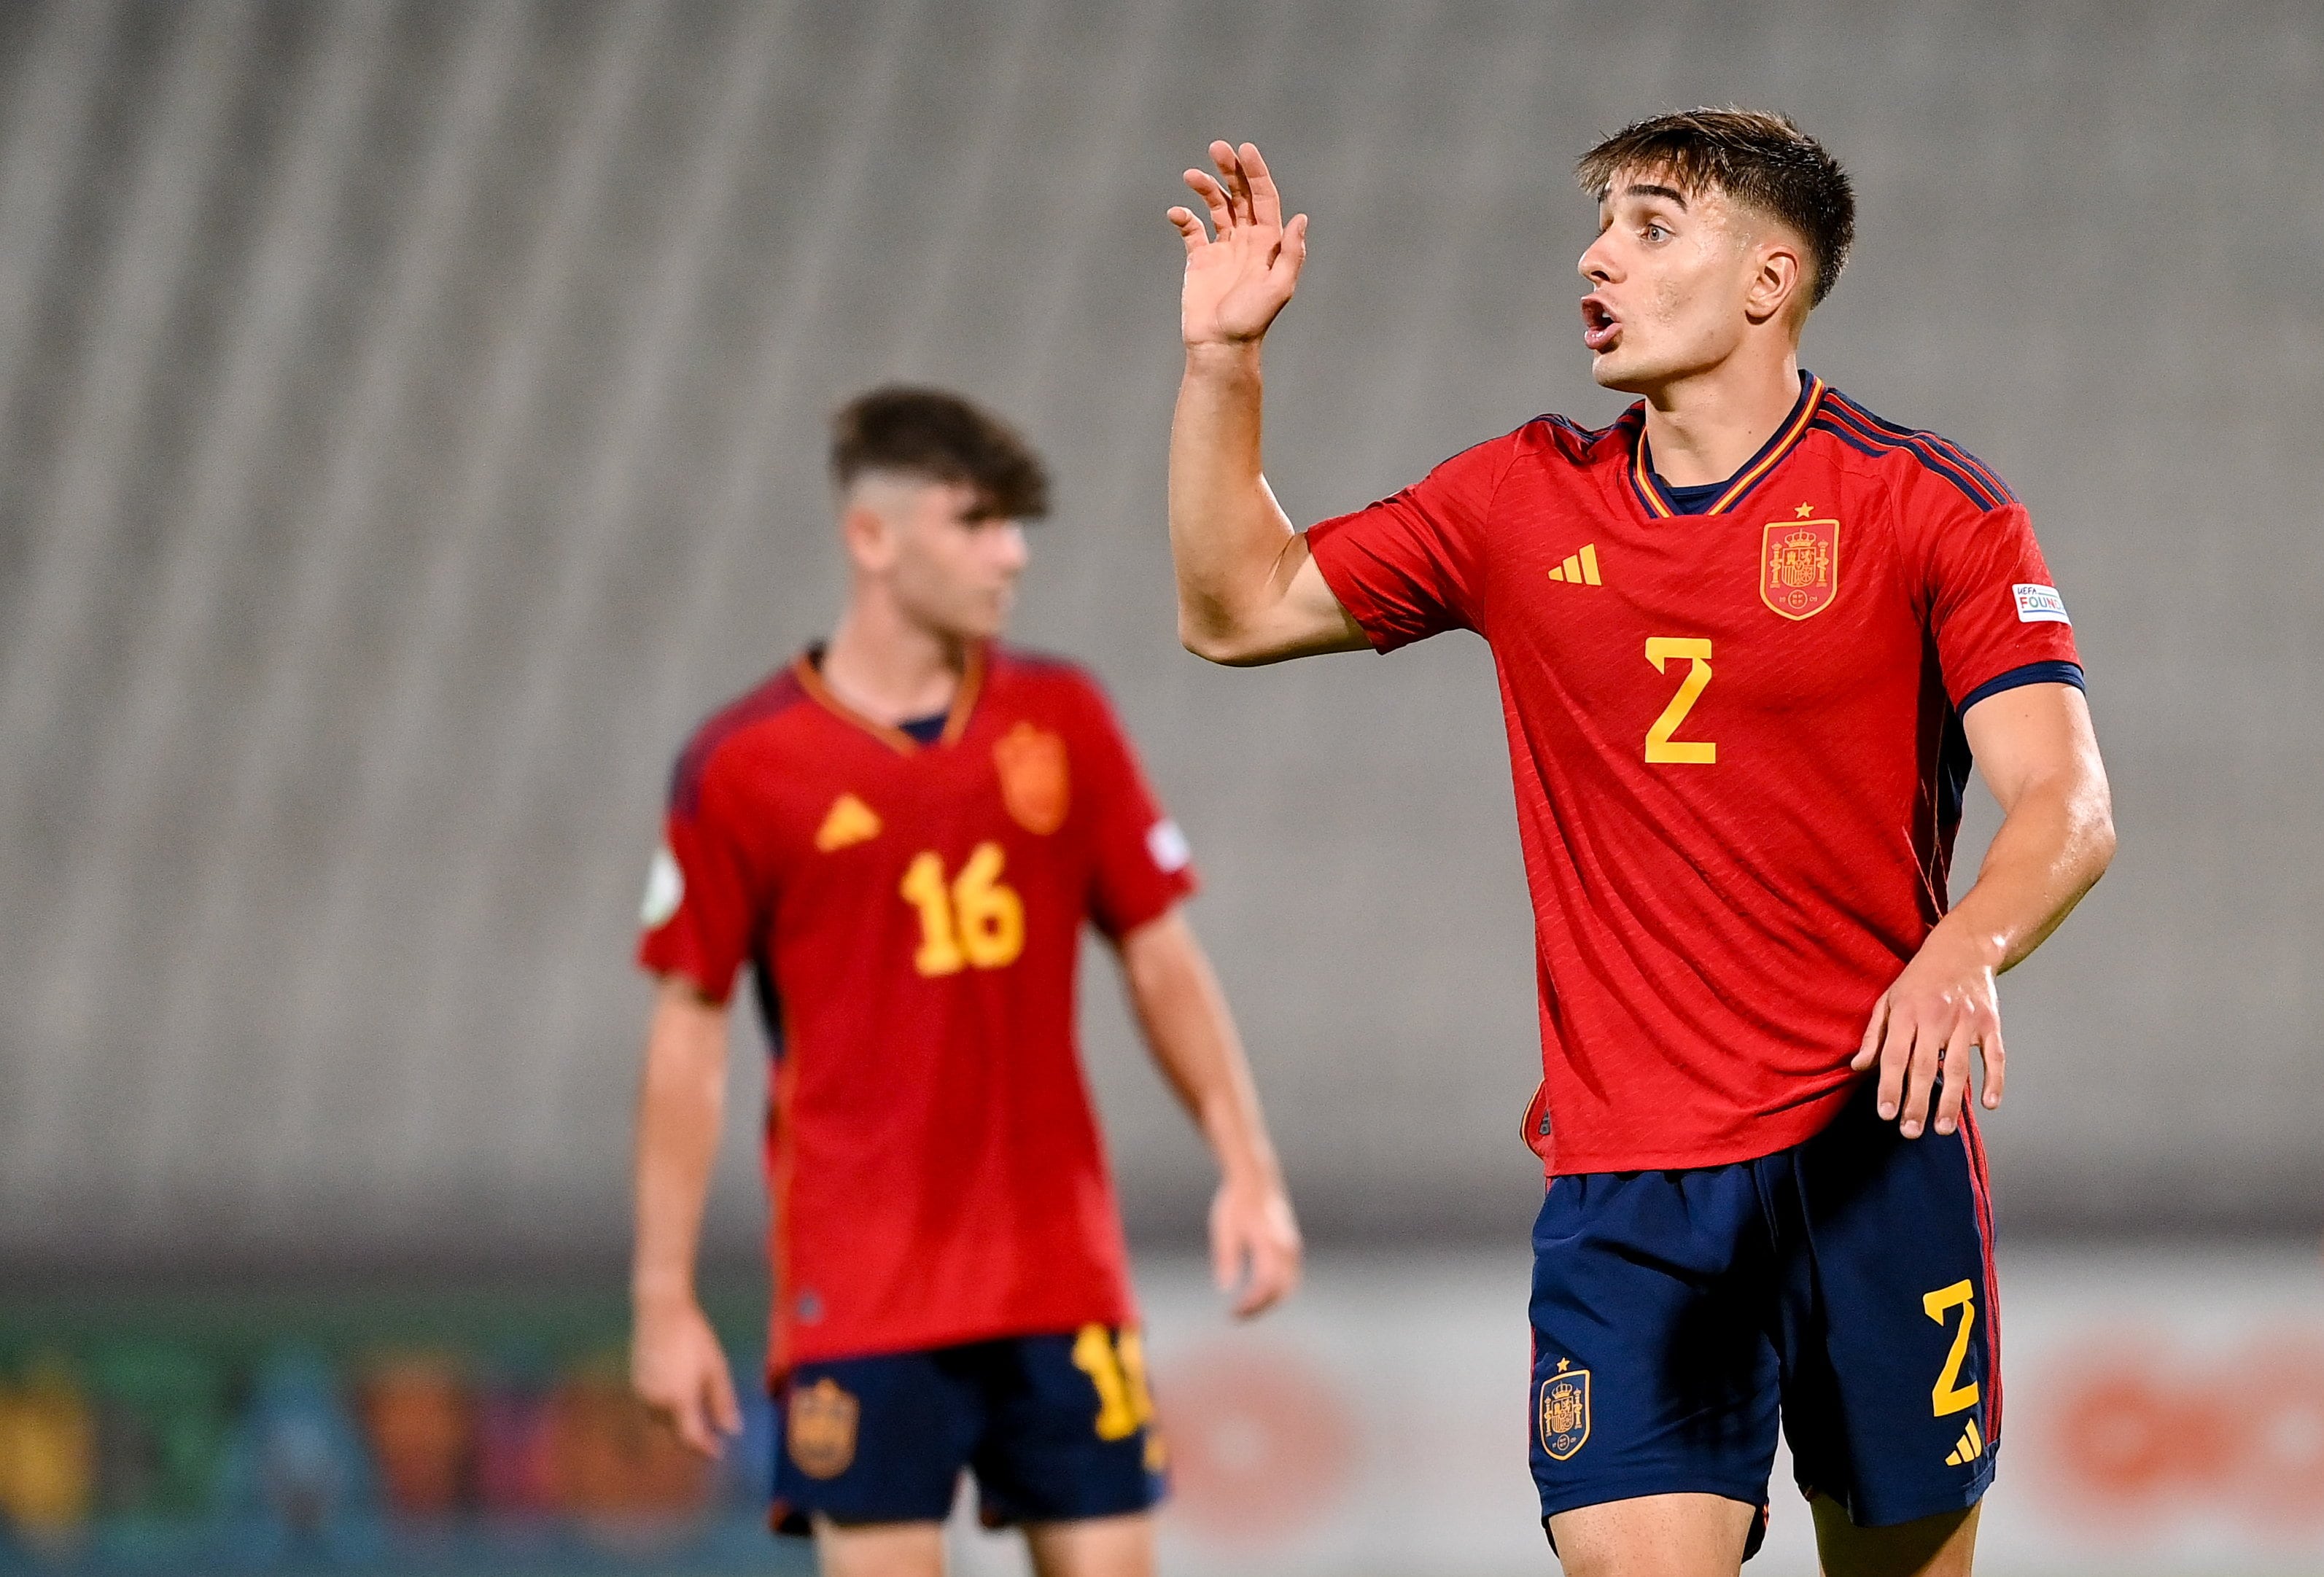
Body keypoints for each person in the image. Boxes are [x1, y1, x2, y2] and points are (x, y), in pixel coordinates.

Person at [1162, 111, 2115, 1577]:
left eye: (1651, 224)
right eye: (1601, 221)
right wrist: (1224, 363)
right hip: (1632, 1179)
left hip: (1874, 1146)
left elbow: (2065, 804)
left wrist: (1959, 952)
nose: (1597, 255)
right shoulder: (1516, 500)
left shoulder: (1927, 505)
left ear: (1767, 279)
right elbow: (1235, 609)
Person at [631, 386, 1301, 1577]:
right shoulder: (744, 768)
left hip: (1058, 1272)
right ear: (873, 538)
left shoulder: (1062, 719)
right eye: (978, 522)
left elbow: (1159, 955)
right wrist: (662, 1295)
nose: (1013, 553)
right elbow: (691, 1035)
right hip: (865, 1289)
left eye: (1016, 523)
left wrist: (1247, 1166)